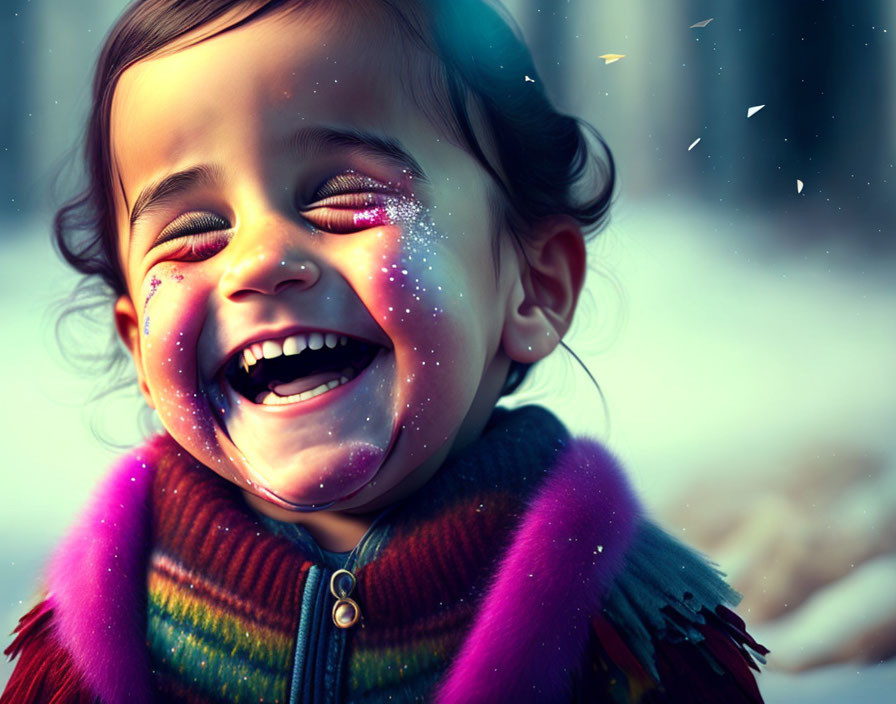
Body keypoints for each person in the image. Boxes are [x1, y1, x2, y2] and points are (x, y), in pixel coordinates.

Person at [1, 0, 767, 701]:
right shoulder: (87, 652)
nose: (259, 261)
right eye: (194, 232)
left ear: (533, 287)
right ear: (138, 347)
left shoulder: (629, 631)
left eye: (342, 195)